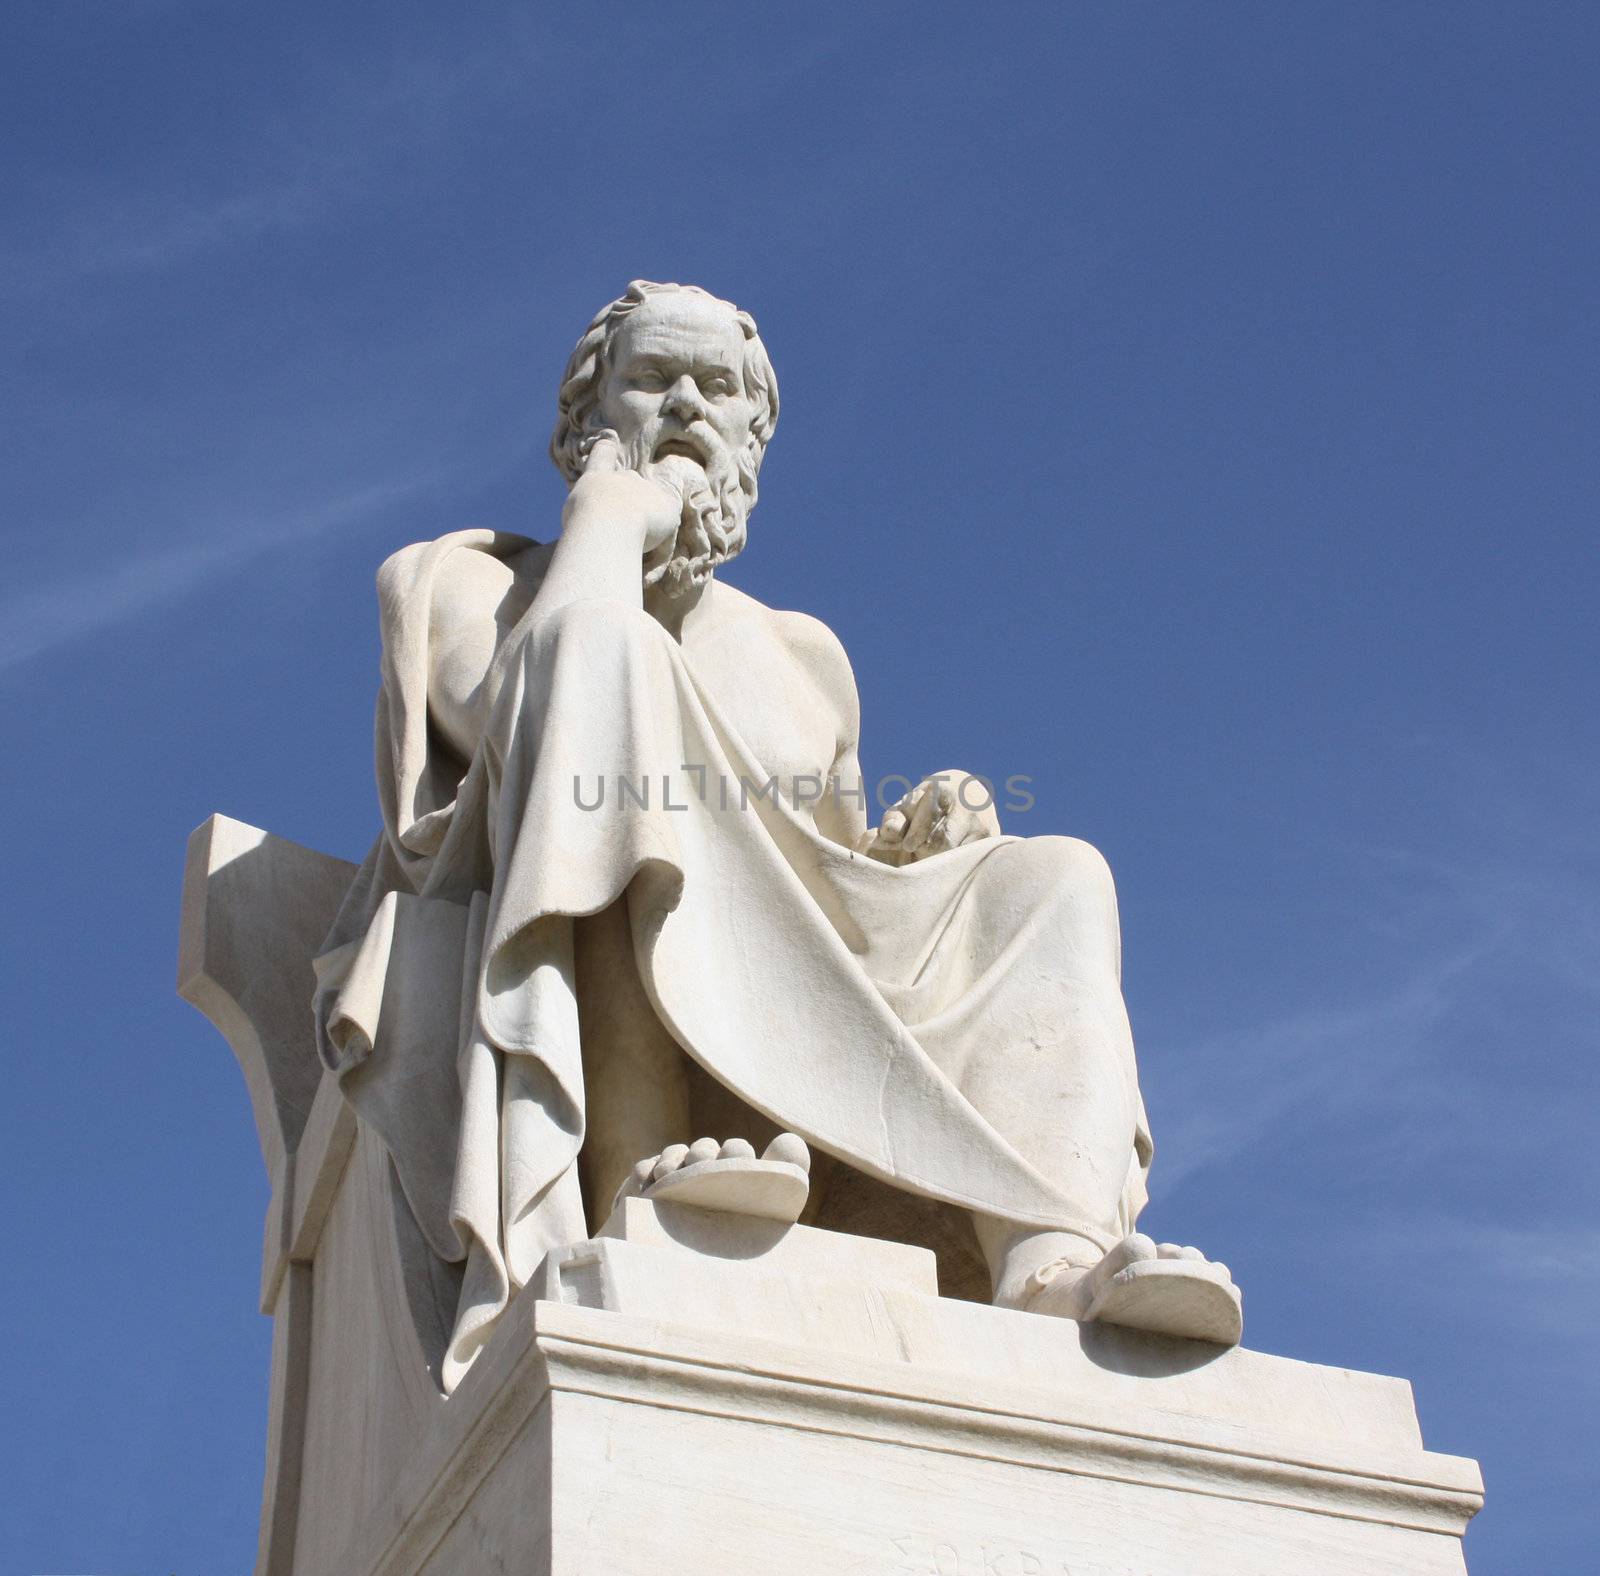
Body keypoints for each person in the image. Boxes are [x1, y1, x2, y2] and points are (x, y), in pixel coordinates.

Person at [314, 280, 1238, 1392]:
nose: (689, 407)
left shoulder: (803, 654)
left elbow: (826, 885)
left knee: (1053, 875)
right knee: (614, 675)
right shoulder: (463, 583)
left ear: (755, 438)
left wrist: (926, 845)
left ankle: (1053, 1263)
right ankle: (629, 1179)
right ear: (585, 419)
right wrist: (615, 517)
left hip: (782, 994)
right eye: (654, 379)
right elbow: (540, 714)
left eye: (720, 390)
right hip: (577, 964)